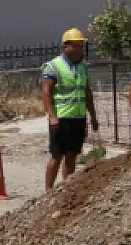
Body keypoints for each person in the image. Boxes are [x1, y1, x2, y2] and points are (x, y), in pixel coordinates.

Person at [42, 28, 99, 191]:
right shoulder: (53, 66)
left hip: (78, 118)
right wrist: (52, 116)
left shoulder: (82, 67)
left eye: (81, 45)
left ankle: (67, 189)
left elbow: (87, 92)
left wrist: (93, 116)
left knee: (72, 155)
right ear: (66, 47)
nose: (80, 49)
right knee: (57, 156)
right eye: (76, 45)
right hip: (61, 119)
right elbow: (46, 92)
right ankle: (48, 191)